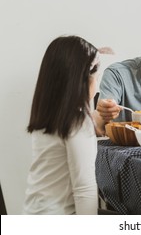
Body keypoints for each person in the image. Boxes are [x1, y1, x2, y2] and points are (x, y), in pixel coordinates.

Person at [24, 36, 100, 215]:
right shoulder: (78, 121)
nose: (96, 83)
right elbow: (85, 189)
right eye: (95, 75)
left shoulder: (49, 116)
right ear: (82, 79)